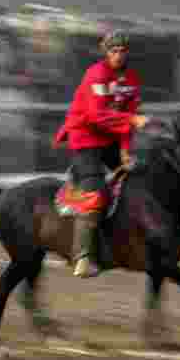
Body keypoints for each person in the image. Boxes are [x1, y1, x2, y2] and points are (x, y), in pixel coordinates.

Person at [53, 30, 150, 278]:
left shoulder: (132, 79)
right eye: (113, 51)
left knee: (137, 177)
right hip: (85, 138)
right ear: (105, 52)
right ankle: (82, 257)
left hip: (109, 139)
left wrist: (126, 151)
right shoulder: (96, 74)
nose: (118, 55)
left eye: (122, 51)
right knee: (96, 192)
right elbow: (96, 116)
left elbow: (128, 124)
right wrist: (131, 119)